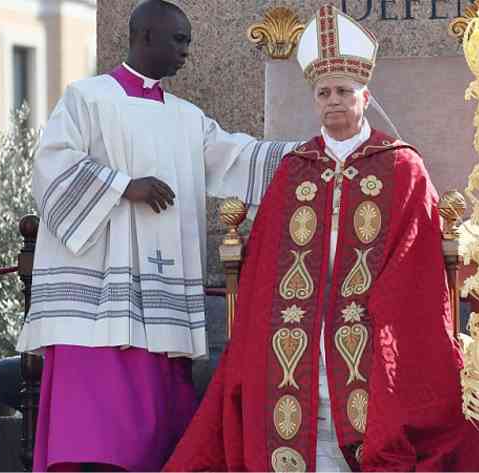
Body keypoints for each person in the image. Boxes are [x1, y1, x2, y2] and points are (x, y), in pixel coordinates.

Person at [163, 5, 479, 472]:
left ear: (364, 95)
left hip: (369, 323)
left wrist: (375, 309)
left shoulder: (400, 166)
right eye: (324, 93)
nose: (334, 100)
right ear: (315, 100)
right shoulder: (296, 168)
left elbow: (415, 261)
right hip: (300, 329)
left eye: (344, 91)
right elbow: (266, 268)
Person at [15, 1, 299, 470]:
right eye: (179, 39)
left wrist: (310, 155)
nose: (187, 50)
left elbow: (233, 157)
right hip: (96, 306)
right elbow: (52, 167)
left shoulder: (186, 118)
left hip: (158, 303)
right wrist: (124, 186)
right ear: (146, 36)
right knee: (94, 439)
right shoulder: (87, 98)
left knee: (154, 442)